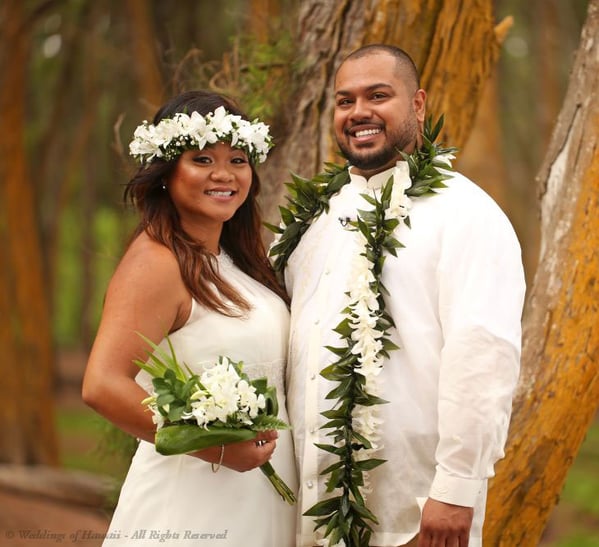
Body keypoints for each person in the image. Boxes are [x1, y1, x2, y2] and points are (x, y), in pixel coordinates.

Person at [281, 45, 526, 546]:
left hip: (414, 512)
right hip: (304, 508)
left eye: (378, 95)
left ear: (417, 105)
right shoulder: (314, 223)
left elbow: (484, 354)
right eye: (345, 100)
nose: (359, 113)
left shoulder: (465, 214)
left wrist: (457, 488)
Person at [82, 90, 297, 546]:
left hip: (256, 502)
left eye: (238, 159)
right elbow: (102, 383)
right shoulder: (157, 262)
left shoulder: (234, 261)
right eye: (202, 159)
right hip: (193, 506)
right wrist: (215, 445)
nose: (224, 174)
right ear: (166, 173)